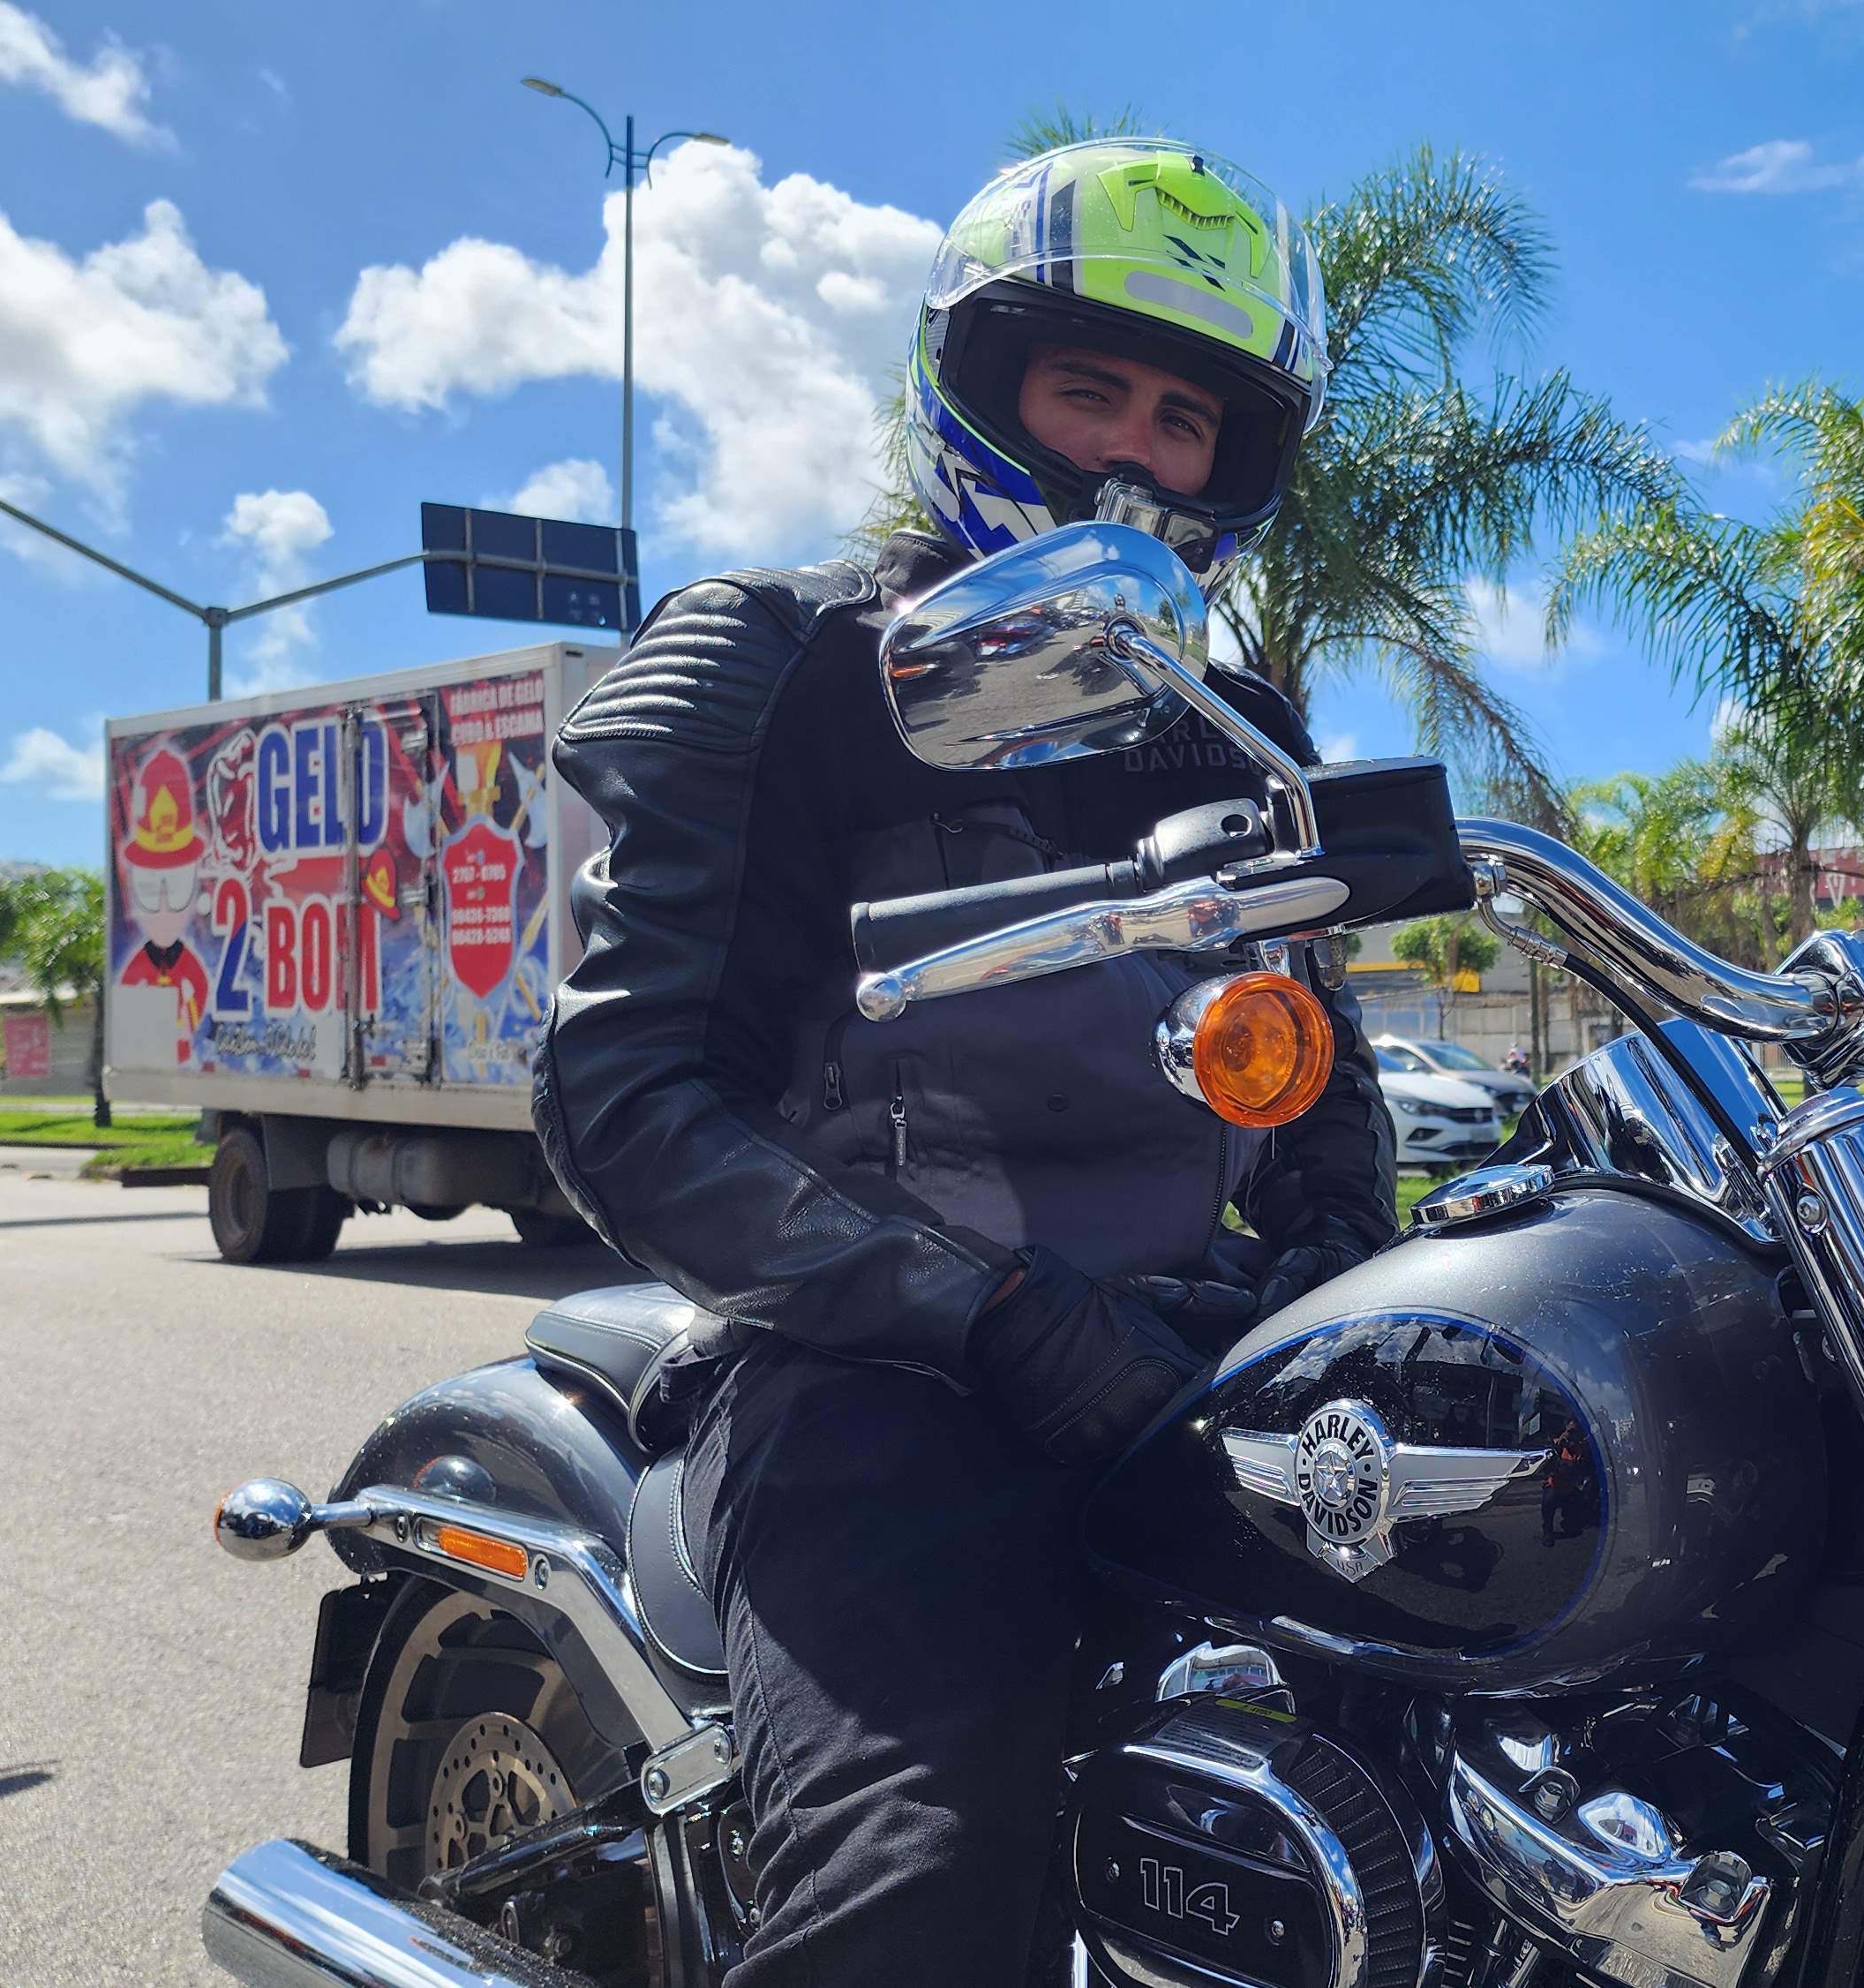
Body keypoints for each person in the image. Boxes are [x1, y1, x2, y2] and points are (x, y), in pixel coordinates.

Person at [532, 139, 1386, 1987]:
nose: (1133, 455)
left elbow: (1315, 1068)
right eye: (1090, 388)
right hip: (867, 1381)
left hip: (1188, 1354)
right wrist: (992, 1319)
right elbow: (626, 1101)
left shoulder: (1239, 728)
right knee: (923, 1875)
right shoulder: (774, 661)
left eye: (1185, 419)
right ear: (977, 385)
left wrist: (1336, 1256)